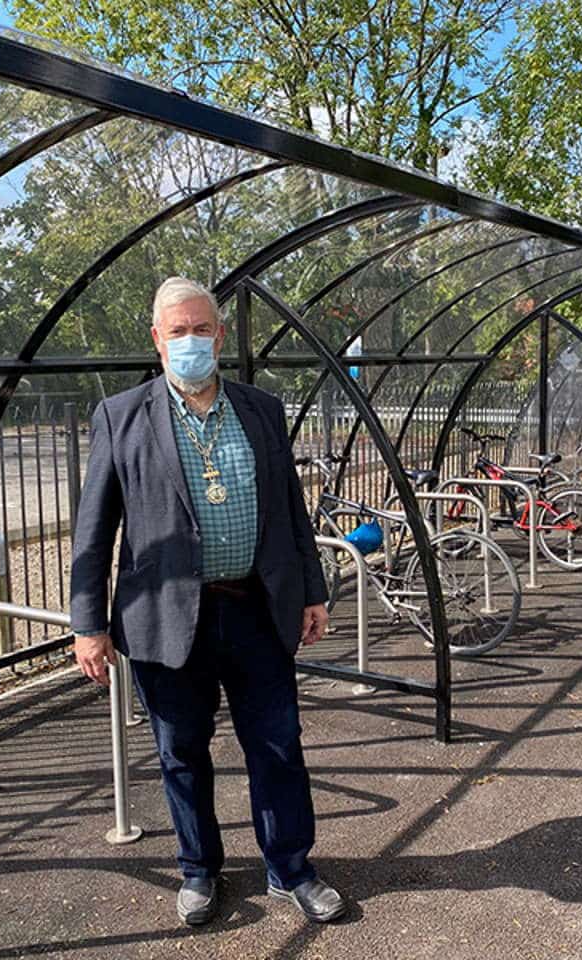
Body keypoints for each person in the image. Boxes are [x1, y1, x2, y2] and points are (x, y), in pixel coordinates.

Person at [69, 277, 345, 925]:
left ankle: (290, 867)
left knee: (277, 745)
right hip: (165, 621)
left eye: (202, 329)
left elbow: (290, 513)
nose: (191, 341)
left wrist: (312, 590)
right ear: (157, 340)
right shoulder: (121, 416)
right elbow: (94, 529)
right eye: (178, 331)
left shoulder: (261, 410)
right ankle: (198, 870)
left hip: (256, 607)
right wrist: (88, 624)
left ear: (220, 335)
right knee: (181, 752)